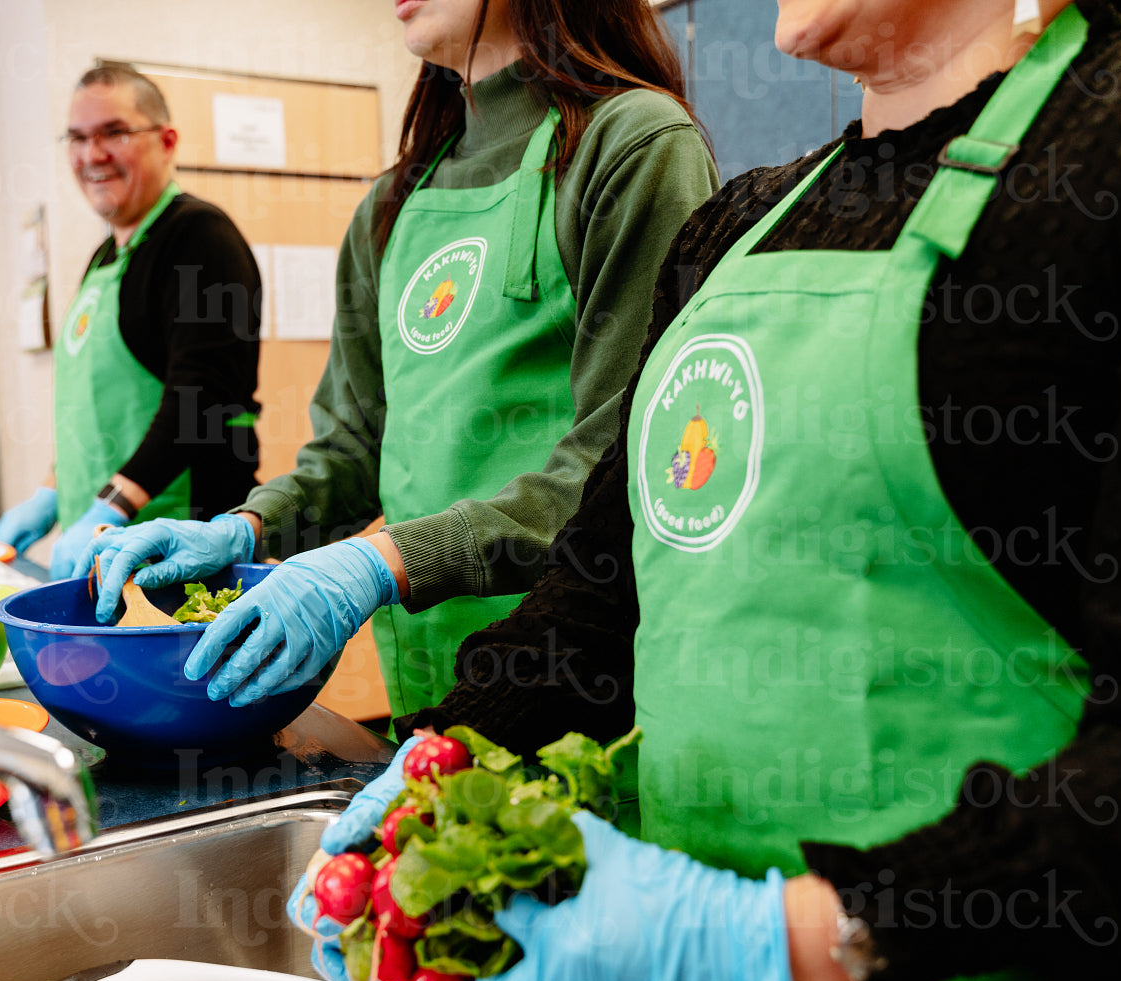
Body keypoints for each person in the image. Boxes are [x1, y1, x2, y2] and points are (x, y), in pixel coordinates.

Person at [293, 0, 1121, 981]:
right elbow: (602, 589)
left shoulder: (1114, 160)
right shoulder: (736, 225)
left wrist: (809, 940)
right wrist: (453, 745)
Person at [79, 0, 719, 722]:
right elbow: (353, 450)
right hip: (427, 671)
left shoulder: (633, 146)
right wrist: (248, 527)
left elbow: (623, 461)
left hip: (583, 672)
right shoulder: (393, 202)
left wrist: (382, 561)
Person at [0, 65, 261, 579]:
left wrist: (111, 506)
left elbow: (201, 398)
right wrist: (51, 492)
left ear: (167, 141)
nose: (92, 155)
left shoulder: (199, 236)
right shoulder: (103, 258)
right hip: (105, 540)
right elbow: (93, 411)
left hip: (177, 544)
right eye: (77, 138)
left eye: (114, 132)